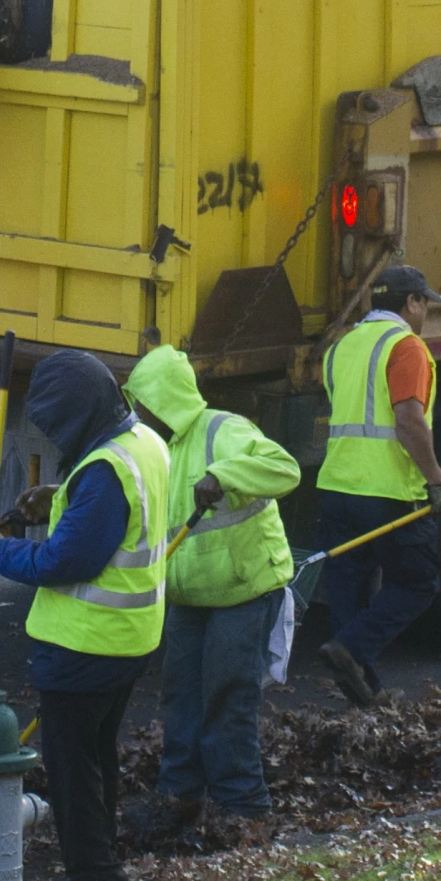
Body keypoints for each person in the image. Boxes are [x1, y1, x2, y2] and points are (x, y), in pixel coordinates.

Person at [0, 349, 170, 881]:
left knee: (71, 767)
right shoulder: (143, 445)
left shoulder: (106, 471)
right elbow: (108, 525)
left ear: (81, 414)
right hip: (127, 639)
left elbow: (68, 560)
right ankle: (98, 867)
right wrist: (58, 500)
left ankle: (94, 878)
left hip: (87, 644)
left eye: (60, 426)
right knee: (96, 759)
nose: (58, 439)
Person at [119, 344, 299, 835]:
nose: (137, 412)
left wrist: (224, 475)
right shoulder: (153, 448)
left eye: (143, 403)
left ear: (164, 399)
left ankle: (244, 810)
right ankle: (180, 798)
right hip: (189, 595)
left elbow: (286, 468)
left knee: (227, 697)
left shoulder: (224, 430)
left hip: (243, 590)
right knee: (180, 697)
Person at [313, 264, 441, 708]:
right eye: (424, 303)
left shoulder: (340, 348)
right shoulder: (406, 347)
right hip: (389, 492)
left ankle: (366, 690)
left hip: (337, 486)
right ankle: (351, 651)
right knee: (417, 583)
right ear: (410, 302)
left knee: (350, 587)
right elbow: (410, 421)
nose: (426, 313)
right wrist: (438, 481)